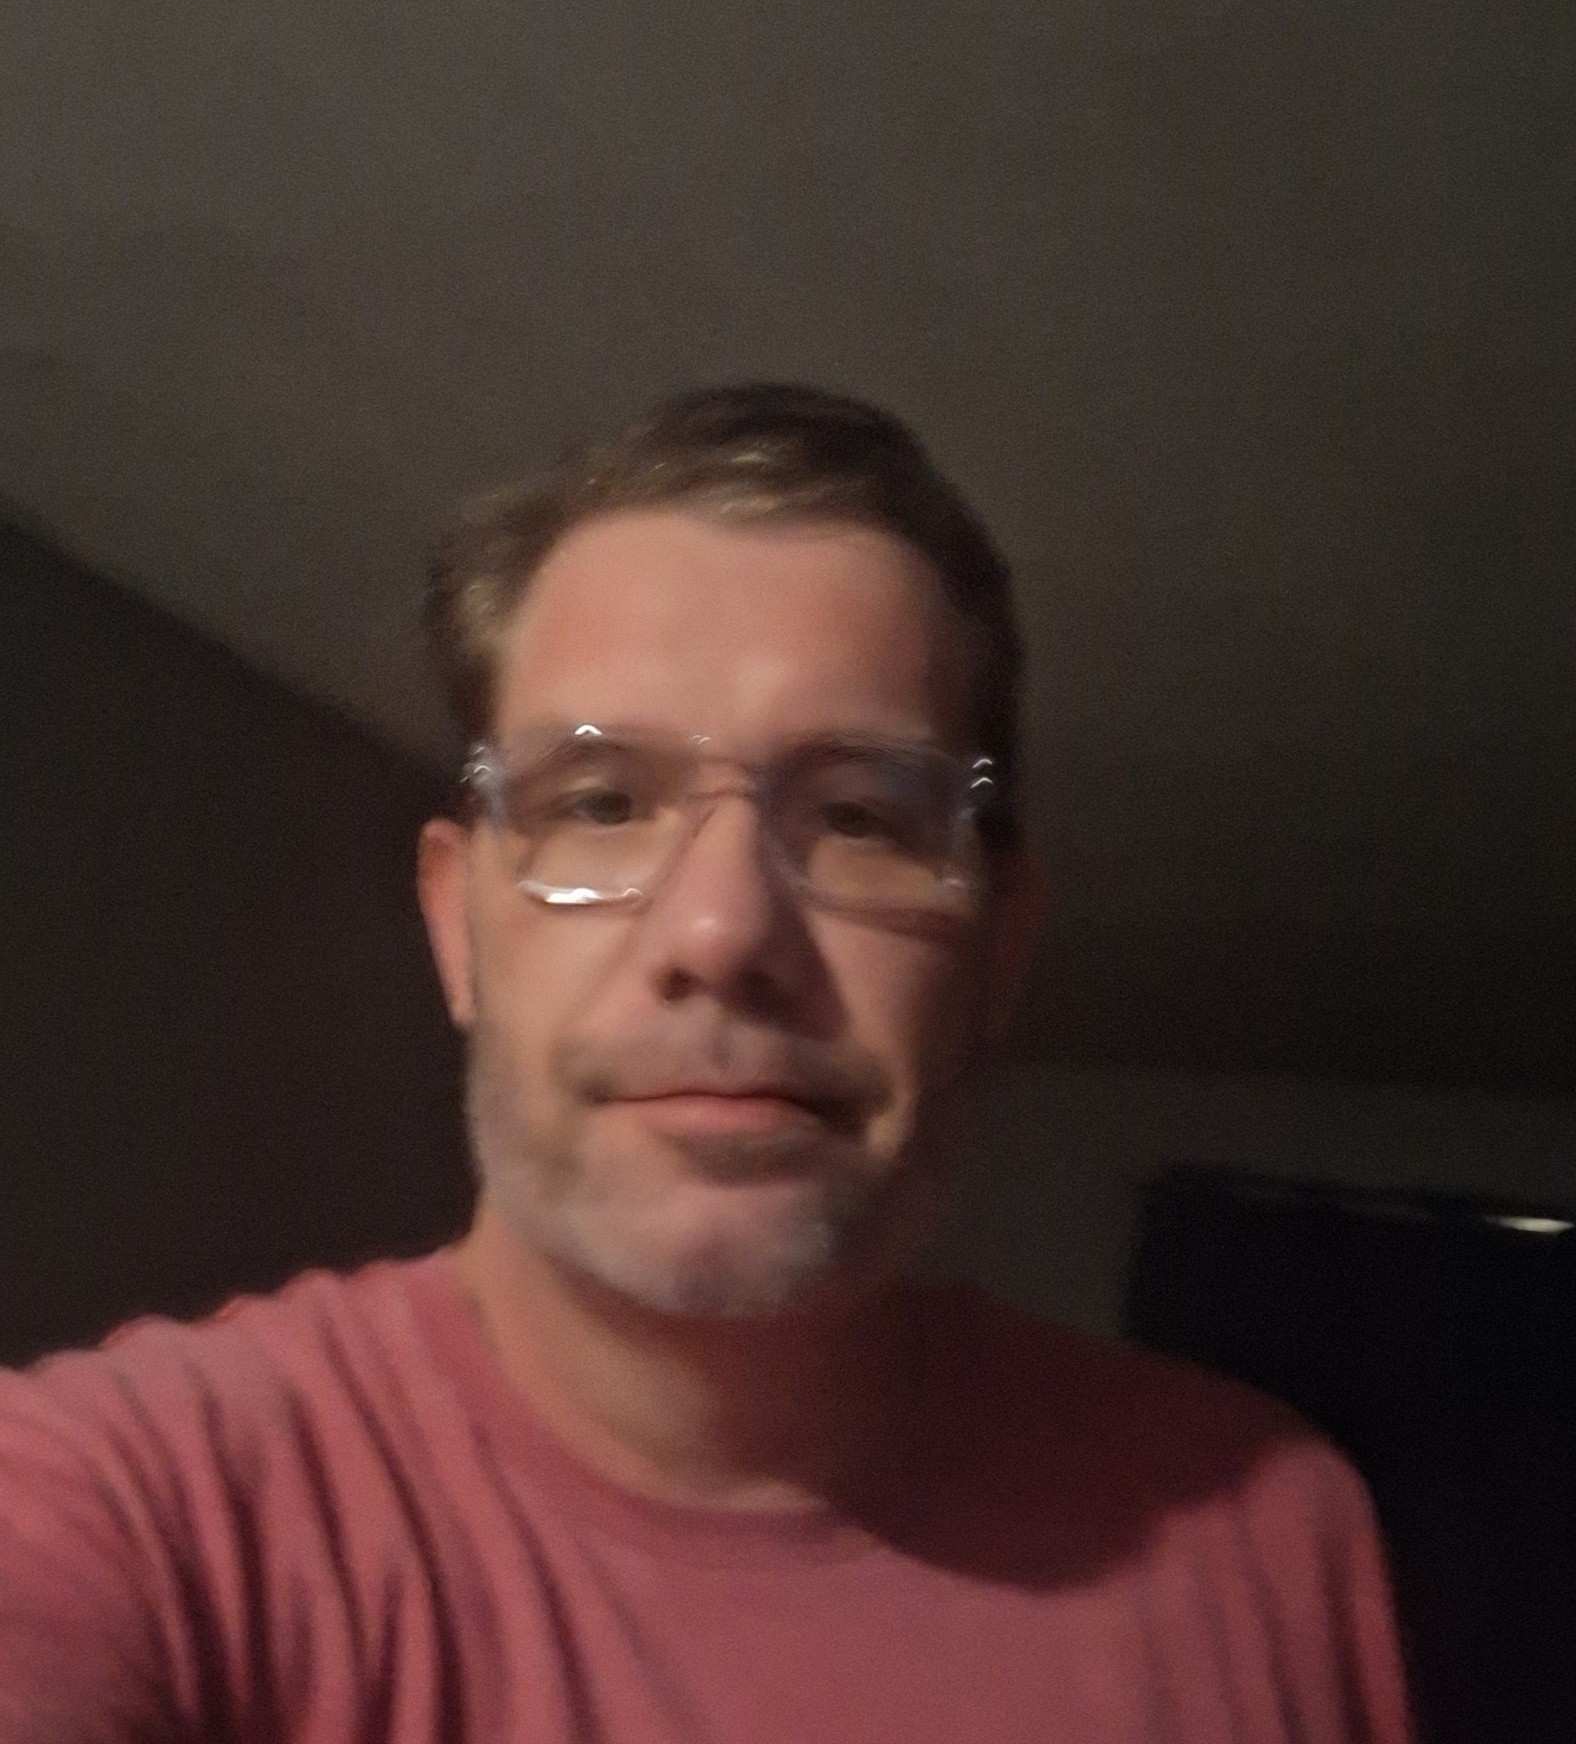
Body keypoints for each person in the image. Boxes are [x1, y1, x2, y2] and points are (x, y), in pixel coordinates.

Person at [0, 384, 1412, 1741]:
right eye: (602, 804)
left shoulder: (1269, 1537)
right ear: (457, 927)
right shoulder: (122, 1509)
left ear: (998, 952)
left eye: (861, 817)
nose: (723, 932)